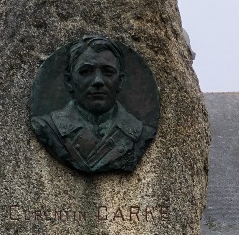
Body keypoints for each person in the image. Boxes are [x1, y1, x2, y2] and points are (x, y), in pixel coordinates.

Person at [31, 35, 156, 174]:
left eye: (108, 72)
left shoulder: (141, 133)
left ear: (120, 81)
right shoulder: (47, 128)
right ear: (69, 81)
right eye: (86, 72)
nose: (98, 81)